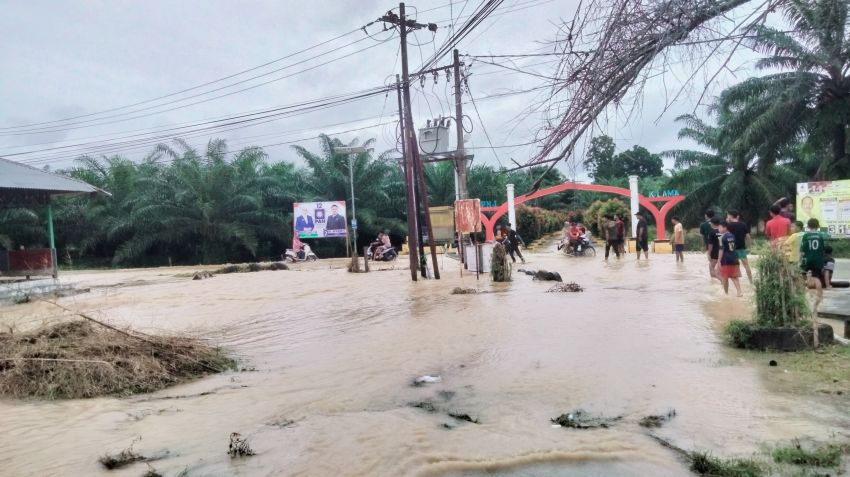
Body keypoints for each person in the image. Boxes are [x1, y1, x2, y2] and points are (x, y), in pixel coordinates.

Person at [800, 218, 827, 301]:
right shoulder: (820, 236)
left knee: (803, 277)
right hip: (817, 260)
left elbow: (802, 250)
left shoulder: (806, 236)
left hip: (807, 259)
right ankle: (820, 295)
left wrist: (800, 259)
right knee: (816, 278)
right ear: (818, 226)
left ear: (808, 226)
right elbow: (822, 250)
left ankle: (802, 295)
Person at [716, 220, 743, 296]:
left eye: (720, 227)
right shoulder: (732, 235)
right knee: (734, 276)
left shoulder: (721, 237)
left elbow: (721, 249)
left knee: (725, 277)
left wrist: (719, 260)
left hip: (726, 259)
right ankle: (739, 291)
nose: (718, 229)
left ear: (725, 228)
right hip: (734, 257)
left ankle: (726, 294)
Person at [725, 209, 753, 283]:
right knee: (746, 265)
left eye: (728, 215)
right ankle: (751, 282)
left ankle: (735, 284)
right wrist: (749, 247)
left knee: (733, 267)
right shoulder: (743, 224)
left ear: (730, 216)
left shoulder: (728, 225)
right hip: (741, 248)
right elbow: (748, 237)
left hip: (731, 249)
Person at [700, 210, 717, 278]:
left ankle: (713, 278)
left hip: (709, 246)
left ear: (706, 215)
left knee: (711, 262)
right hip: (720, 245)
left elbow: (702, 237)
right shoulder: (718, 223)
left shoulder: (703, 225)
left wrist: (703, 246)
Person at [707, 217, 722, 282]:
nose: (710, 224)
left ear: (712, 224)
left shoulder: (712, 232)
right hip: (723, 251)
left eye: (710, 223)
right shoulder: (722, 231)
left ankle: (719, 281)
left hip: (715, 252)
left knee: (711, 267)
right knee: (720, 267)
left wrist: (709, 253)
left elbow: (711, 244)